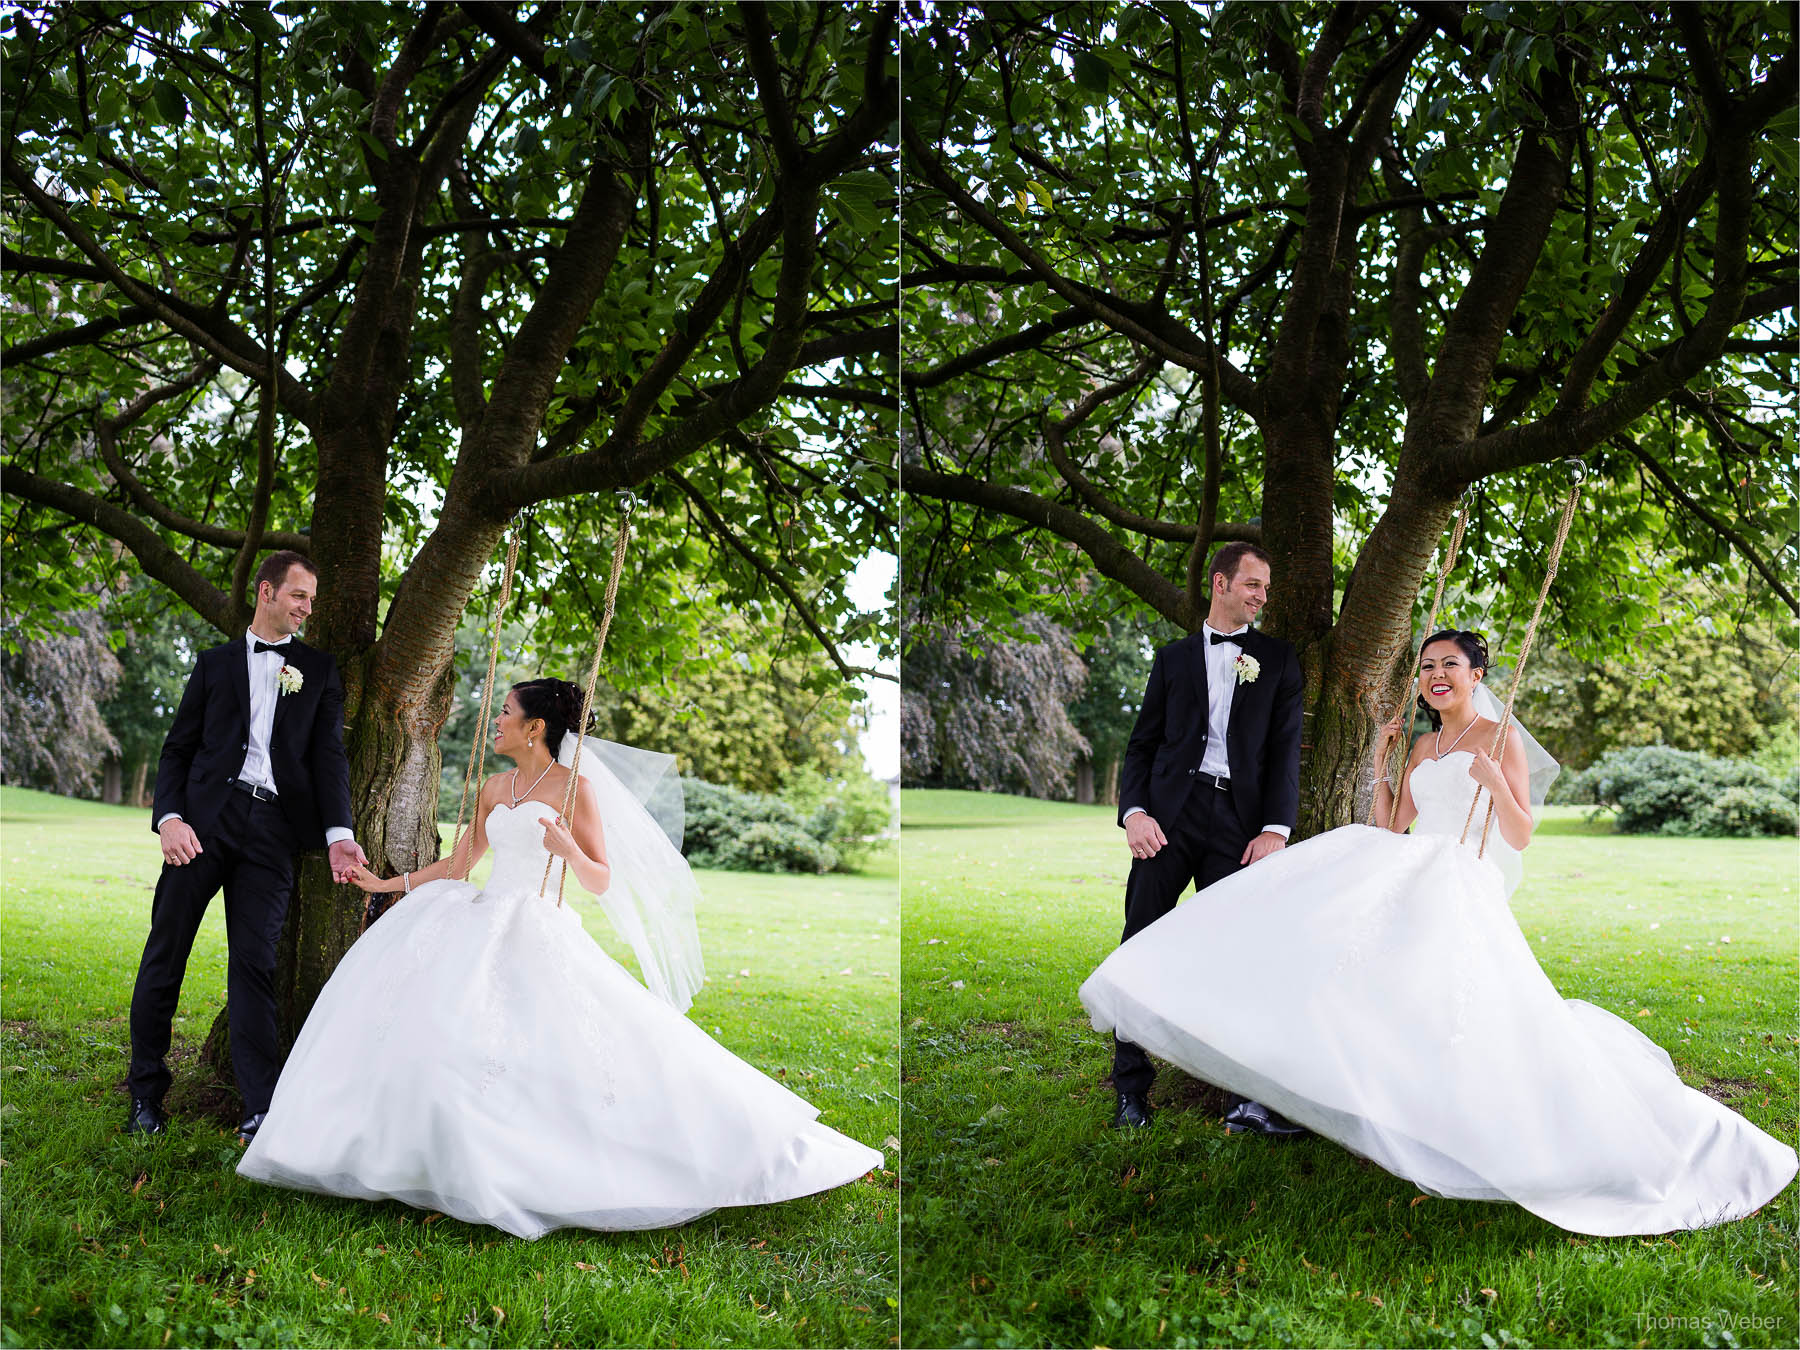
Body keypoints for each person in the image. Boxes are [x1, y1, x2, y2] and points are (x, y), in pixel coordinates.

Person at [1081, 631, 1798, 1235]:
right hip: (1409, 866)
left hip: (1460, 877)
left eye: (1449, 665)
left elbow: (1520, 832)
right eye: (1426, 667)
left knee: (1458, 1008)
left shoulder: (1499, 737)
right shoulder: (1421, 747)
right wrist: (1386, 763)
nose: (1435, 676)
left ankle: (1468, 1125)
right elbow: (1393, 824)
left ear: (1477, 675)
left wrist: (1491, 778)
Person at [237, 678, 882, 1239]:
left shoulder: (575, 790)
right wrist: (387, 885)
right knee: (439, 1035)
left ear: (536, 727)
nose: (494, 723)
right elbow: (462, 865)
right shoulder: (493, 786)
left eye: (505, 714)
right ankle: (419, 1158)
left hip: (538, 923)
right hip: (480, 917)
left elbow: (601, 879)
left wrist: (568, 848)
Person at [129, 551, 367, 1142]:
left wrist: (340, 834)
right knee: (166, 952)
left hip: (273, 833)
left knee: (256, 965)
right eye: (299, 596)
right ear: (266, 592)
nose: (308, 608)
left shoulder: (317, 669)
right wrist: (170, 820)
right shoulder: (212, 665)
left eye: (311, 598)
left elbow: (328, 758)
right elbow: (177, 750)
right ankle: (145, 1095)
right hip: (202, 826)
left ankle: (260, 1108)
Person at [1109, 542, 1305, 1134]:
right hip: (1168, 819)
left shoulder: (1278, 658)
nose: (1262, 596)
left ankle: (1244, 1097)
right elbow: (1142, 745)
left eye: (1266, 587)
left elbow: (1284, 750)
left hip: (1241, 827)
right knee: (1139, 942)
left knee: (1240, 955)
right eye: (1253, 584)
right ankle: (1130, 1092)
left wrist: (1275, 829)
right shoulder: (1170, 659)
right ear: (1220, 583)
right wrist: (1134, 814)